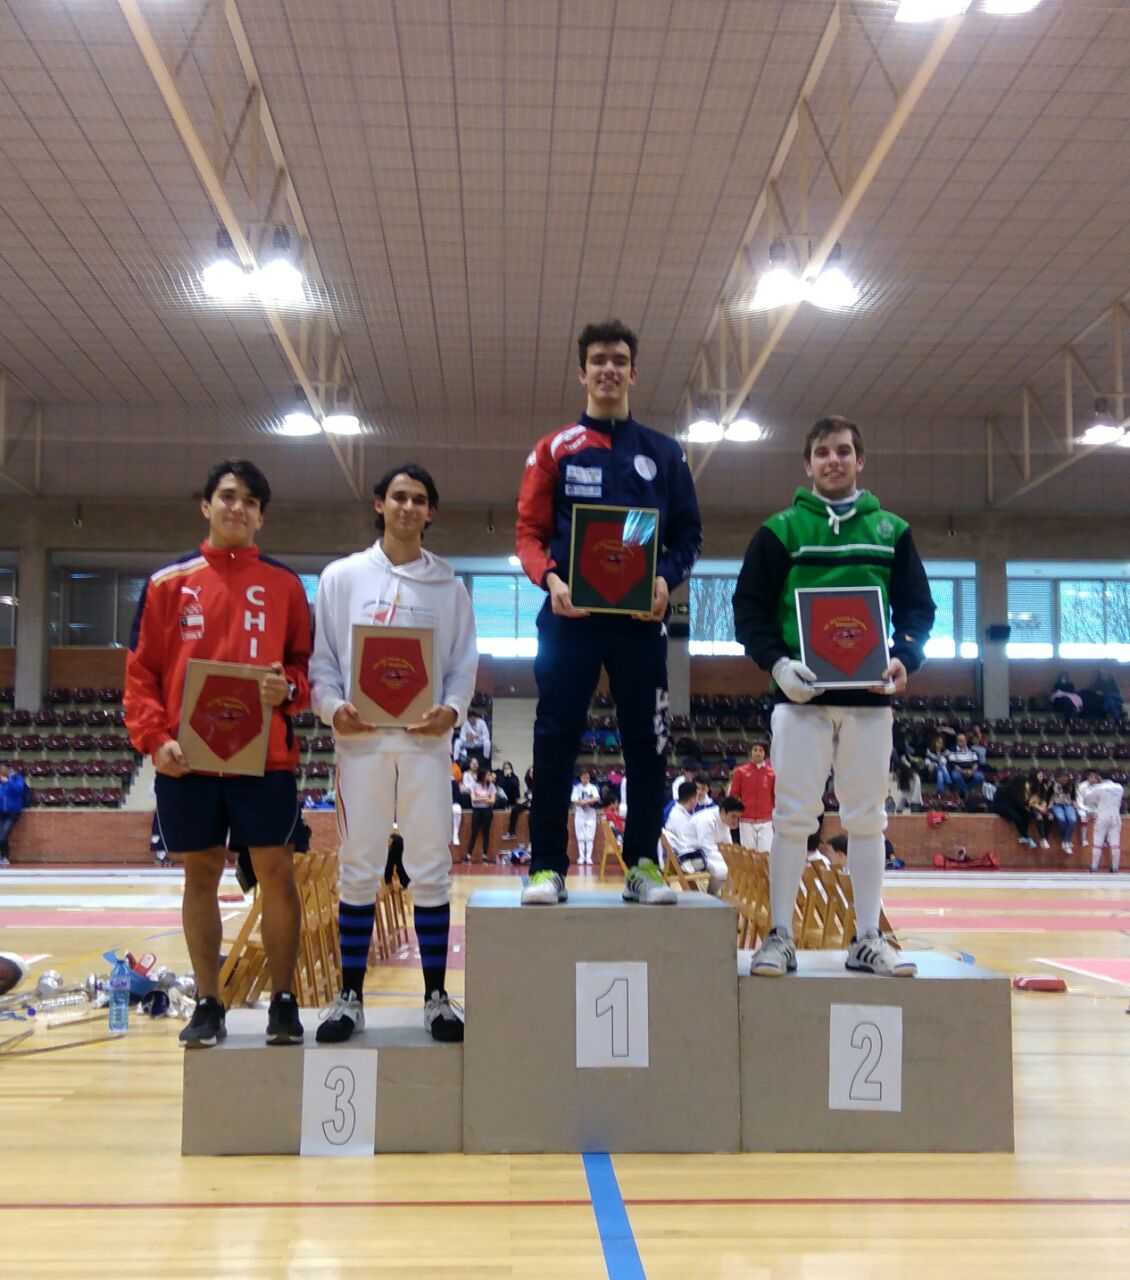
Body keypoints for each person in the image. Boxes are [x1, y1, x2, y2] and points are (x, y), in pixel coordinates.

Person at [733, 416, 935, 978]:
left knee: (867, 820)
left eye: (844, 451)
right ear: (808, 464)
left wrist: (905, 656)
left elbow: (918, 609)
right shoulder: (781, 530)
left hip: (870, 699)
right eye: (822, 452)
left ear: (860, 460)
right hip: (800, 700)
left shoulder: (892, 531)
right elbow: (748, 610)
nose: (833, 460)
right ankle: (779, 936)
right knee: (793, 818)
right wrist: (778, 663)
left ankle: (867, 937)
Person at [124, 459, 311, 1049]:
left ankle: (284, 1000)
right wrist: (155, 739)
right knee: (200, 872)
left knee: (276, 873)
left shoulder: (285, 585)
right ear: (206, 505)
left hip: (264, 758)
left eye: (251, 501)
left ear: (262, 517)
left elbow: (306, 668)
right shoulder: (167, 584)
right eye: (228, 496)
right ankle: (209, 1001)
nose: (238, 507)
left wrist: (289, 690)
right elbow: (140, 674)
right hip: (189, 758)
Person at [515, 319, 703, 906]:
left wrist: (664, 580)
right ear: (582, 372)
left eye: (619, 360)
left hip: (641, 625)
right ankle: (546, 869)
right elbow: (528, 534)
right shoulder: (554, 449)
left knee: (648, 744)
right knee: (554, 740)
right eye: (598, 360)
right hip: (568, 620)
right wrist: (550, 579)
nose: (609, 369)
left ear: (633, 373)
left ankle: (643, 865)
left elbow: (688, 535)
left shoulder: (664, 454)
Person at [309, 463, 477, 1044]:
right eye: (398, 497)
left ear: (431, 512)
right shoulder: (341, 578)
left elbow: (462, 666)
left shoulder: (450, 587)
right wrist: (333, 707)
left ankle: (435, 997)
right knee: (358, 867)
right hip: (362, 746)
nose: (408, 507)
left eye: (419, 499)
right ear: (379, 504)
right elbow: (323, 662)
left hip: (426, 746)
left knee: (431, 866)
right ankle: (349, 998)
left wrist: (452, 711)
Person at [692, 793, 744, 894]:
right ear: (723, 811)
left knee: (734, 866)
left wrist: (735, 858)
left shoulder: (724, 820)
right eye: (733, 816)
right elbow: (706, 849)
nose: (736, 821)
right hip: (690, 857)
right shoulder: (707, 820)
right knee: (723, 870)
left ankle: (717, 896)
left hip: (704, 855)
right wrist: (728, 859)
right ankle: (712, 896)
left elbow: (728, 847)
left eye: (738, 818)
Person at [728, 741, 775, 851]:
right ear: (751, 752)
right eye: (755, 750)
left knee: (766, 853)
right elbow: (734, 795)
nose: (757, 753)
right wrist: (734, 816)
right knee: (748, 853)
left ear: (765, 753)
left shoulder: (772, 773)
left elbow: (775, 797)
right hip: (746, 820)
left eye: (761, 750)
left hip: (766, 820)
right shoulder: (741, 772)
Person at [1079, 768, 1123, 873]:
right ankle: (1115, 867)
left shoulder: (1099, 788)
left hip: (1103, 816)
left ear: (1100, 778)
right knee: (1115, 843)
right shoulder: (1119, 787)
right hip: (1116, 816)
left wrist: (1093, 786)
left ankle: (1094, 866)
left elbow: (1087, 798)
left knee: (1098, 842)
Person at [991, 772, 1036, 847]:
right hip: (1001, 806)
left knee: (1026, 814)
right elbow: (1016, 801)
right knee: (1017, 818)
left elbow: (1018, 802)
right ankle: (1025, 836)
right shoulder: (1010, 788)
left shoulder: (1018, 789)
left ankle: (1024, 835)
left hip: (1010, 805)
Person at [466, 768, 498, 864]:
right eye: (487, 775)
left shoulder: (491, 786)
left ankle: (485, 856)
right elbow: (473, 799)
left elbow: (492, 800)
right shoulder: (474, 785)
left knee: (486, 833)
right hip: (477, 810)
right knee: (474, 833)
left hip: (487, 810)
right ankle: (468, 855)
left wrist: (479, 798)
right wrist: (485, 797)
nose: (489, 776)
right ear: (482, 775)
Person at [570, 768, 601, 865]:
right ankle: (581, 857)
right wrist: (588, 801)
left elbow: (596, 798)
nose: (586, 779)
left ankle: (588, 857)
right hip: (580, 815)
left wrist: (584, 802)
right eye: (584, 777)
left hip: (591, 814)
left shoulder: (593, 787)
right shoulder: (576, 788)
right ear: (581, 778)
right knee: (581, 837)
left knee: (590, 837)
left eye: (587, 777)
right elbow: (575, 801)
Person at [0, 762, 27, 867]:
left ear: (8, 768)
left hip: (12, 812)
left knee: (3, 835)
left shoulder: (16, 778)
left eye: (2, 768)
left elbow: (19, 790)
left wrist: (8, 781)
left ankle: (4, 857)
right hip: (1, 811)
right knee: (2, 835)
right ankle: (3, 856)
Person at [944, 733, 984, 799]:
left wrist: (971, 771)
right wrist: (963, 771)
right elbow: (953, 764)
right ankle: (967, 792)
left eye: (964, 740)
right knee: (955, 776)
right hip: (958, 770)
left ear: (966, 741)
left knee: (980, 776)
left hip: (970, 770)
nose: (962, 742)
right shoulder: (952, 750)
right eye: (960, 740)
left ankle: (965, 790)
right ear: (957, 741)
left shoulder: (972, 751)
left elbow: (976, 763)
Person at [1049, 768, 1079, 855]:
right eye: (1063, 778)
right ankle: (1065, 840)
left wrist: (1075, 803)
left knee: (1072, 820)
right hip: (1057, 804)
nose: (1065, 780)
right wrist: (1050, 805)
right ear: (1058, 778)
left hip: (1068, 804)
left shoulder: (1071, 784)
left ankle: (1066, 841)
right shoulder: (1053, 785)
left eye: (1066, 778)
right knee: (1061, 819)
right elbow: (1049, 795)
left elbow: (1073, 796)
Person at [1027, 768, 1053, 849]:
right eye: (1040, 776)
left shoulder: (1044, 786)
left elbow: (1044, 799)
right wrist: (1040, 808)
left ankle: (1045, 839)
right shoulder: (1029, 786)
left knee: (1050, 817)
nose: (1042, 777)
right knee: (1039, 817)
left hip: (1041, 806)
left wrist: (1045, 808)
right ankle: (1043, 839)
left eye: (1042, 776)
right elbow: (1030, 802)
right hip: (1031, 807)